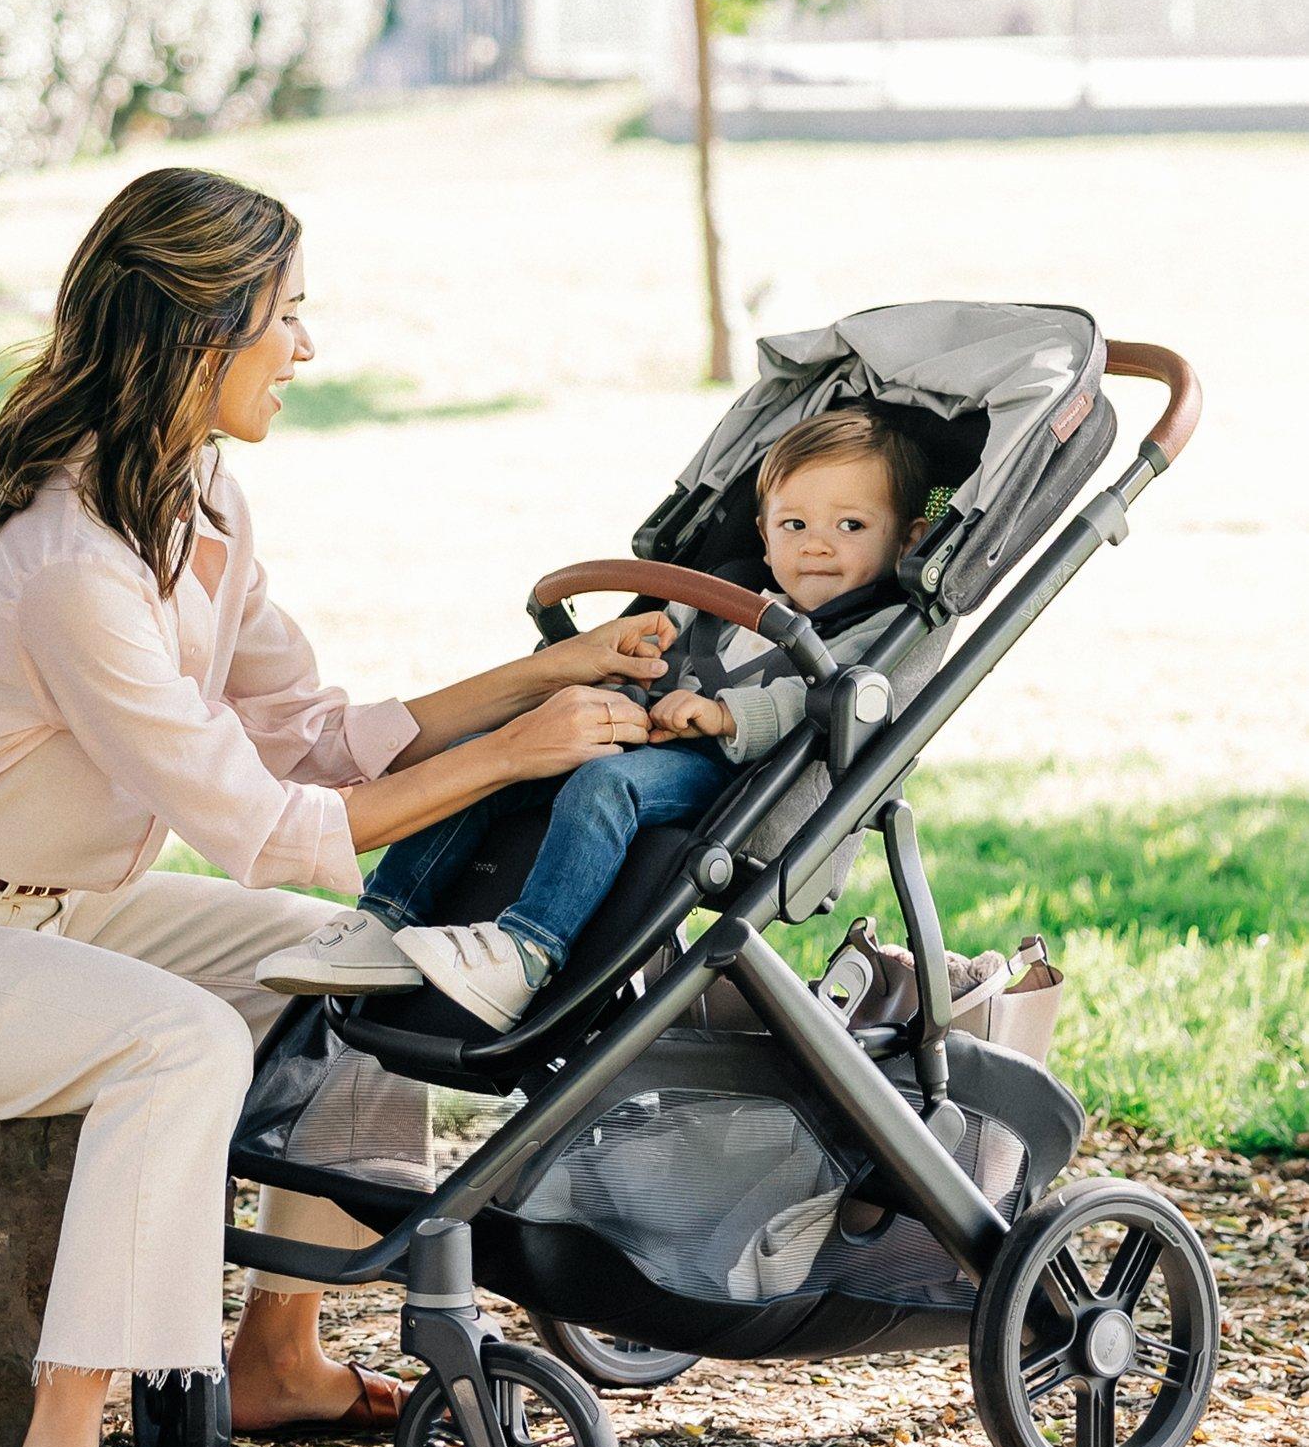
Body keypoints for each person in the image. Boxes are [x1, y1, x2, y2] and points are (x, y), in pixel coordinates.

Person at [0, 167, 670, 1447]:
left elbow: (313, 736)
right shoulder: (71, 566)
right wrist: (514, 757)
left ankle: (278, 1357)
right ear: (200, 331)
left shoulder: (203, 501)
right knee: (178, 1040)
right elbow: (264, 824)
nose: (305, 346)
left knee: (356, 959)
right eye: (285, 316)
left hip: (55, 906)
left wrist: (541, 677)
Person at [258, 407, 930, 1032]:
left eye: (850, 526)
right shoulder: (725, 592)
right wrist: (633, 664)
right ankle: (385, 919)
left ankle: (527, 950)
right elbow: (663, 645)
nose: (817, 547)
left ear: (908, 539)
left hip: (725, 776)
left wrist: (725, 715)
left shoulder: (870, 632)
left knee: (606, 787)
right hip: (641, 736)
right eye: (794, 526)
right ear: (763, 530)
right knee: (482, 758)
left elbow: (818, 702)